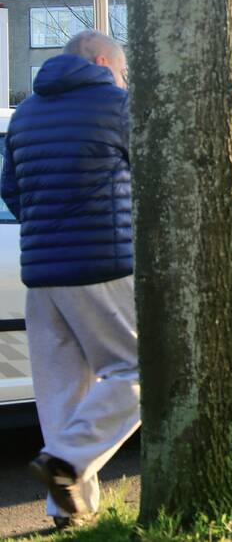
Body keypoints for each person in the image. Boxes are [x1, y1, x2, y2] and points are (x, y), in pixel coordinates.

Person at [0, 30, 137, 530]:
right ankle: (70, 460)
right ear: (102, 62)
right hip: (102, 263)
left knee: (61, 393)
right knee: (141, 370)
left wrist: (49, 228)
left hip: (40, 271)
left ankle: (69, 510)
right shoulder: (116, 104)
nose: (122, 80)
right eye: (121, 71)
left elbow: (10, 189)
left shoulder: (27, 113)